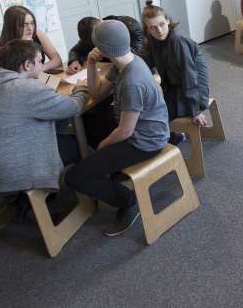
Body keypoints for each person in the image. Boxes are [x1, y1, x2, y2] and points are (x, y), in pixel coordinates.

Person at [64, 20, 170, 237]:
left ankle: (128, 202)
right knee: (87, 122)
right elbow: (96, 91)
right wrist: (91, 63)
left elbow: (125, 132)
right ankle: (114, 171)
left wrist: (103, 145)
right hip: (138, 128)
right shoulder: (123, 62)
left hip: (144, 141)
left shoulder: (132, 81)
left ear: (102, 48)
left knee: (74, 177)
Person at [0, 39, 88, 195]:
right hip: (9, 178)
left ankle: (22, 202)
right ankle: (56, 198)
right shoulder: (27, 88)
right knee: (78, 143)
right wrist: (81, 88)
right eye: (40, 61)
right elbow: (73, 106)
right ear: (27, 65)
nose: (42, 65)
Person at [138, 0, 211, 127]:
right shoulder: (152, 39)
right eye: (153, 28)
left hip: (192, 90)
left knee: (153, 120)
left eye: (161, 24)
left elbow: (189, 76)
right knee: (143, 111)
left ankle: (175, 135)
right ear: (147, 29)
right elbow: (140, 62)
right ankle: (172, 134)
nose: (159, 31)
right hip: (172, 86)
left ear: (168, 20)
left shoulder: (178, 40)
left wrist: (194, 111)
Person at [65, 15, 145, 74]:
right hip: (108, 72)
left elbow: (137, 54)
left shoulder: (131, 26)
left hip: (130, 70)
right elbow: (76, 51)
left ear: (101, 21)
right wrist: (75, 61)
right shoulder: (89, 35)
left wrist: (108, 50)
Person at [0, 5, 62, 72]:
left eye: (32, 23)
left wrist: (41, 68)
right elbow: (17, 72)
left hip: (40, 77)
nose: (30, 28)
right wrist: (22, 46)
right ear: (12, 27)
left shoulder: (38, 34)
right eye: (24, 25)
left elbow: (57, 60)